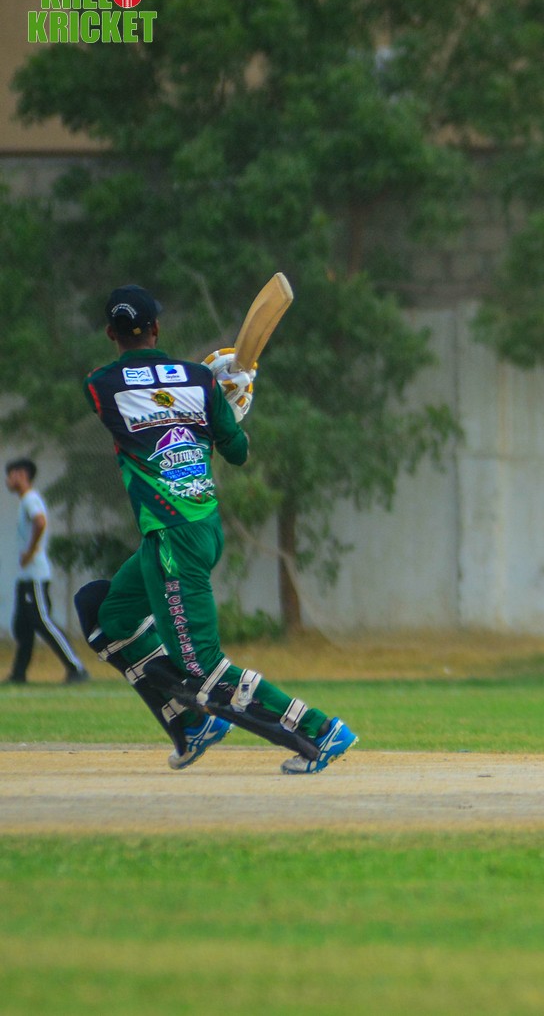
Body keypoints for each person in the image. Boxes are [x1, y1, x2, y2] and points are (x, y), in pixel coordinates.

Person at [77, 284, 356, 773]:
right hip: (192, 532)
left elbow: (142, 405)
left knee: (202, 668)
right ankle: (191, 725)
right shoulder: (199, 381)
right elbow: (238, 451)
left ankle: (319, 730)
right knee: (107, 616)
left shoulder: (102, 384)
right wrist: (226, 407)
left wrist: (205, 400)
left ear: (110, 334)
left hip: (175, 540)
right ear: (156, 328)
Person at [6, 458, 91, 684]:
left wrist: (31, 551)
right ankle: (18, 675)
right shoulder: (25, 500)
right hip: (26, 577)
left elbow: (40, 522)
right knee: (22, 626)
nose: (8, 480)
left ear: (22, 474)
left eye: (10, 475)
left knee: (42, 621)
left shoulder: (30, 499)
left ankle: (77, 668)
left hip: (35, 575)